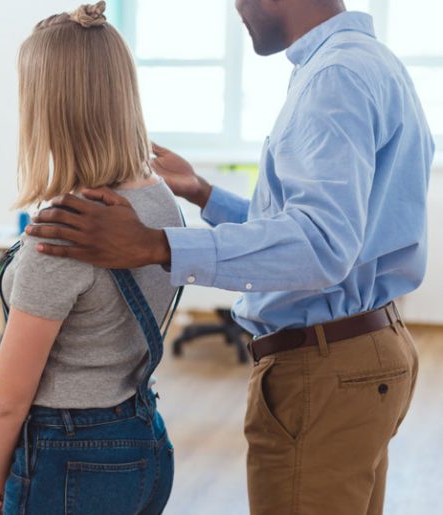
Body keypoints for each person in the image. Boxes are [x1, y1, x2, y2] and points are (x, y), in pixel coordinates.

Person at [25, 1, 434, 514]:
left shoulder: (335, 76)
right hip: (363, 348)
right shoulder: (365, 61)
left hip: (327, 366)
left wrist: (157, 245)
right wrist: (203, 192)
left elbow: (321, 245)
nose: (236, 8)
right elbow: (321, 229)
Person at [0, 3, 180, 514]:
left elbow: (6, 396)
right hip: (144, 439)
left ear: (50, 107)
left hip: (70, 458)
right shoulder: (160, 199)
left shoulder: (66, 230)